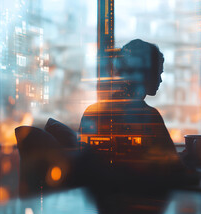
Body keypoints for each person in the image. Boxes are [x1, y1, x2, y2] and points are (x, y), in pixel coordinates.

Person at [79, 39, 189, 188]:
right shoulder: (148, 117)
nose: (161, 80)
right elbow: (176, 172)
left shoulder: (92, 112)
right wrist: (190, 160)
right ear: (145, 73)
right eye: (158, 73)